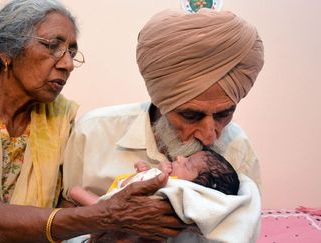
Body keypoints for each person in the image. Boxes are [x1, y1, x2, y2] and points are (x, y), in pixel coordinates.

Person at [0, 1, 184, 242]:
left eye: (71, 52)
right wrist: (110, 214)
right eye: (52, 46)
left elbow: (66, 203)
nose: (67, 63)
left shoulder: (60, 118)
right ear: (7, 51)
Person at [63, 8, 264, 243]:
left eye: (224, 113)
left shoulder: (237, 147)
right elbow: (67, 213)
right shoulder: (94, 131)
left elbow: (243, 230)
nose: (209, 137)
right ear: (161, 102)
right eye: (190, 115)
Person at [69, 147, 240, 207]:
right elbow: (141, 182)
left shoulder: (176, 190)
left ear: (197, 185)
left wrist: (156, 173)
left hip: (108, 206)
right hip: (114, 194)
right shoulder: (167, 179)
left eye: (187, 164)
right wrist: (143, 171)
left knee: (75, 192)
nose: (180, 158)